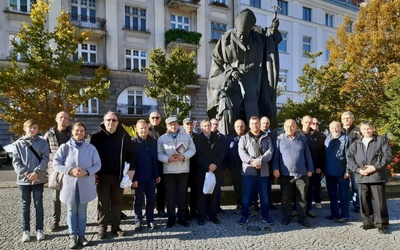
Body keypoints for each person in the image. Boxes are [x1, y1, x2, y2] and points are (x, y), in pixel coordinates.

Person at [207, 8, 282, 135]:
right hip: (232, 85)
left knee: (253, 115)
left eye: (244, 34)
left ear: (251, 29)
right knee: (228, 109)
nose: (241, 37)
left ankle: (254, 139)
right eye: (239, 33)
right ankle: (228, 139)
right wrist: (229, 73)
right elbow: (217, 64)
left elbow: (269, 38)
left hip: (253, 84)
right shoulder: (226, 39)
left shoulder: (257, 37)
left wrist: (273, 28)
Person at [53, 122, 101, 249]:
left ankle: (82, 235)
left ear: (85, 133)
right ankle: (72, 235)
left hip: (85, 183)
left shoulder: (91, 148)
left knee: (82, 212)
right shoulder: (64, 147)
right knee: (71, 211)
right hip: (69, 184)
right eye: (76, 130)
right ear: (72, 132)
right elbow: (56, 164)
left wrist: (86, 172)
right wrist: (70, 170)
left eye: (81, 131)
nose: (79, 133)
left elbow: (97, 165)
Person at [89, 111, 135, 239]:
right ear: (103, 121)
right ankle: (102, 228)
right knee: (103, 203)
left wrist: (131, 170)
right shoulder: (96, 137)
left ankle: (116, 227)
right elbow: (90, 156)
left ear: (118, 122)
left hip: (118, 177)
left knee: (116, 203)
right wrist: (93, 173)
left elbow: (131, 154)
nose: (111, 122)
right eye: (108, 120)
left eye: (114, 120)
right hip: (102, 176)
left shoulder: (124, 136)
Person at [347, 121, 392, 234]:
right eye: (364, 129)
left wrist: (375, 167)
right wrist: (358, 169)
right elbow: (349, 157)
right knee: (364, 200)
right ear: (360, 130)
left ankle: (381, 224)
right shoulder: (356, 143)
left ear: (373, 128)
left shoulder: (380, 140)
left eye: (368, 128)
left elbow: (388, 156)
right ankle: (368, 222)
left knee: (379, 201)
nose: (366, 131)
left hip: (376, 175)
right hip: (361, 175)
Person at [13, 119, 49, 242]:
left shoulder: (43, 142)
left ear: (38, 129)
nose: (32, 130)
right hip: (24, 180)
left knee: (39, 205)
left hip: (38, 179)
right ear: (25, 128)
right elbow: (16, 162)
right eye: (30, 127)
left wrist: (36, 172)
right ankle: (26, 230)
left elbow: (45, 159)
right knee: (25, 206)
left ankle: (39, 229)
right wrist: (27, 173)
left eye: (35, 128)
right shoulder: (18, 144)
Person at [272, 119, 314, 227]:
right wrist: (275, 168)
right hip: (286, 174)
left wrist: (310, 169)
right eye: (287, 126)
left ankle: (302, 218)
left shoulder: (302, 139)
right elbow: (276, 156)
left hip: (301, 174)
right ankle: (287, 216)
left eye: (292, 126)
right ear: (284, 128)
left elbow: (307, 155)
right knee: (286, 197)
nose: (290, 128)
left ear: (296, 127)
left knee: (302, 197)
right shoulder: (279, 139)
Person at [157, 117, 196, 228]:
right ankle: (171, 218)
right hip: (169, 171)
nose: (173, 126)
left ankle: (182, 218)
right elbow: (159, 154)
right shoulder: (162, 139)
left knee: (182, 196)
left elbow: (193, 149)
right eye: (170, 125)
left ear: (178, 125)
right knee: (170, 196)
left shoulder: (186, 136)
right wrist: (167, 159)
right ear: (167, 126)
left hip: (183, 170)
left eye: (175, 124)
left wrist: (184, 156)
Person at [238, 116, 274, 225]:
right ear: (249, 125)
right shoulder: (244, 138)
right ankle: (244, 216)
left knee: (264, 195)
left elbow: (270, 152)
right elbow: (242, 152)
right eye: (253, 123)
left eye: (257, 123)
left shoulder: (267, 138)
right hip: (248, 171)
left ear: (259, 124)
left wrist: (259, 161)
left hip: (263, 171)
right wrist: (251, 161)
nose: (255, 125)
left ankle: (265, 216)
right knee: (246, 195)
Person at [43, 111, 72, 231]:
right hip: (55, 170)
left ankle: (72, 221)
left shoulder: (73, 132)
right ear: (56, 119)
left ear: (68, 120)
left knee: (72, 196)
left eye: (66, 118)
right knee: (56, 197)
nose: (63, 120)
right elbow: (44, 153)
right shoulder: (49, 134)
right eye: (61, 117)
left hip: (70, 169)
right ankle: (56, 221)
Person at [193, 119, 225, 225]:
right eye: (205, 126)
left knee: (213, 194)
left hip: (215, 170)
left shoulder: (218, 138)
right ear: (201, 127)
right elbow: (197, 155)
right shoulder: (197, 139)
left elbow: (221, 153)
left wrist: (215, 164)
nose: (207, 127)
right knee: (202, 194)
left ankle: (213, 216)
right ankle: (201, 216)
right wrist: (207, 165)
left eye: (208, 125)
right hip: (202, 170)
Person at [132, 120, 160, 231]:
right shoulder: (133, 143)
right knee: (138, 200)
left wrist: (157, 174)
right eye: (141, 128)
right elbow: (131, 162)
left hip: (151, 177)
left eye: (145, 128)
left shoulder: (153, 142)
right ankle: (138, 221)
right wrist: (133, 178)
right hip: (138, 177)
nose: (144, 130)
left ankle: (150, 220)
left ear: (148, 129)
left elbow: (155, 159)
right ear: (137, 129)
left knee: (151, 200)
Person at [324, 121, 351, 223]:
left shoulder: (346, 139)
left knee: (344, 195)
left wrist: (348, 171)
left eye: (337, 127)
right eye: (332, 128)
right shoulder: (327, 138)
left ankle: (345, 215)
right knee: (332, 195)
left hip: (342, 172)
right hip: (329, 172)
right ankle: (334, 214)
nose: (335, 130)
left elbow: (349, 156)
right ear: (329, 129)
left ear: (340, 128)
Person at [300, 115, 325, 217]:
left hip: (313, 167)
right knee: (299, 190)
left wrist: (319, 166)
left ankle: (309, 209)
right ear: (302, 122)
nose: (308, 124)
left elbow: (321, 152)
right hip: (300, 167)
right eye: (306, 122)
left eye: (310, 122)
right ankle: (296, 209)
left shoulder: (318, 135)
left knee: (310, 189)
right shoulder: (297, 134)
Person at [341, 111, 362, 213]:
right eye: (345, 118)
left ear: (352, 119)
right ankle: (342, 203)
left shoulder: (357, 131)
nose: (347, 120)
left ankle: (357, 205)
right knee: (342, 185)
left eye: (349, 118)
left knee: (356, 185)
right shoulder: (338, 130)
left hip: (355, 162)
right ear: (341, 120)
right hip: (342, 162)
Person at [148, 111, 167, 218]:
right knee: (149, 188)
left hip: (161, 163)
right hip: (149, 163)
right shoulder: (146, 130)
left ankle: (160, 208)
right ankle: (149, 210)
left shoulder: (164, 130)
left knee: (161, 188)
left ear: (160, 119)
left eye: (157, 117)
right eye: (153, 117)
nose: (155, 119)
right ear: (149, 118)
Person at [225, 119, 246, 214]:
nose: (240, 128)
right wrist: (227, 167)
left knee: (248, 187)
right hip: (234, 168)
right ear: (234, 127)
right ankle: (239, 204)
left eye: (241, 126)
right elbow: (226, 154)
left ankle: (249, 205)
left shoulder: (248, 137)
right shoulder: (229, 139)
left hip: (247, 168)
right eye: (237, 126)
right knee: (237, 187)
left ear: (245, 127)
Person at [260, 116, 278, 211]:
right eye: (263, 123)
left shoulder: (274, 133)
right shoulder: (257, 133)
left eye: (267, 123)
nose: (265, 125)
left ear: (269, 124)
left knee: (268, 185)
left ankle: (269, 203)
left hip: (270, 164)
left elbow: (275, 149)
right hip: (259, 163)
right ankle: (257, 204)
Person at [182, 117, 198, 219]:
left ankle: (193, 210)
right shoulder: (180, 137)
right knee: (183, 191)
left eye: (191, 124)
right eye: (187, 124)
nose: (189, 126)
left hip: (194, 167)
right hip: (183, 167)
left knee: (194, 191)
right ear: (183, 126)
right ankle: (185, 212)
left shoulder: (198, 137)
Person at [210, 118, 226, 214]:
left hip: (218, 167)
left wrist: (216, 164)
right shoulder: (205, 136)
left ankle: (217, 207)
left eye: (216, 124)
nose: (214, 126)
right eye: (212, 124)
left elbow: (223, 152)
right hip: (207, 167)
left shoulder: (222, 137)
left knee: (217, 188)